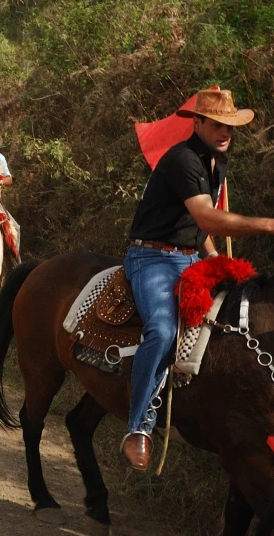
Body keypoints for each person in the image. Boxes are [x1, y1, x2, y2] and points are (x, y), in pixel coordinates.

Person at [120, 87, 274, 471]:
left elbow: (196, 225)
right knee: (162, 330)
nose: (225, 132)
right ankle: (138, 427)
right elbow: (207, 217)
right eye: (218, 125)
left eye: (230, 127)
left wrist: (217, 260)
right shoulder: (183, 160)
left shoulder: (217, 162)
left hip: (190, 257)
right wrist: (267, 224)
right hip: (152, 258)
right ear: (198, 123)